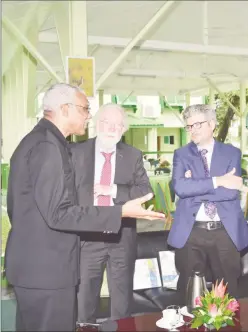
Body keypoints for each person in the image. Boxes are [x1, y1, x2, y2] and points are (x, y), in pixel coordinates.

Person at [4, 83, 164, 332]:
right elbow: (58, 213)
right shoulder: (50, 147)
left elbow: (19, 207)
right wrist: (120, 211)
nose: (88, 115)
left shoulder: (38, 141)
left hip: (37, 266)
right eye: (84, 109)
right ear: (65, 109)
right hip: (47, 269)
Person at [71, 103, 152, 323]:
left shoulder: (133, 155)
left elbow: (146, 191)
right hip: (87, 238)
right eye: (107, 122)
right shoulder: (76, 152)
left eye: (118, 125)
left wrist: (114, 190)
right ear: (97, 124)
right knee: (84, 303)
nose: (112, 128)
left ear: (124, 129)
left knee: (122, 306)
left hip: (121, 237)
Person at [168, 104, 248, 300]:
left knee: (228, 292)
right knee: (188, 292)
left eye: (198, 124)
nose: (193, 130)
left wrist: (194, 185)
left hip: (225, 231)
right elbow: (180, 188)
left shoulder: (232, 153)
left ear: (212, 124)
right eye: (189, 126)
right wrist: (218, 181)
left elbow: (230, 194)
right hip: (191, 231)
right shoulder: (181, 154)